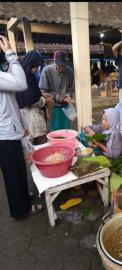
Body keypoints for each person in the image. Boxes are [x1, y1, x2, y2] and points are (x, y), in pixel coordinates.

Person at [0, 36, 42, 218]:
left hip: (11, 129)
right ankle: (20, 211)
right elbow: (21, 83)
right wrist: (10, 54)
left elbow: (10, 103)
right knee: (13, 176)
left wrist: (21, 125)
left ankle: (24, 203)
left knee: (17, 172)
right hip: (5, 135)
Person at [16, 51, 50, 145]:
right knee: (34, 142)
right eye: (36, 66)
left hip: (33, 115)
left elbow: (33, 91)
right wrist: (44, 101)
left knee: (36, 139)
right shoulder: (23, 77)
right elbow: (28, 99)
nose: (37, 69)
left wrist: (41, 94)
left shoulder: (28, 75)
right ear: (31, 64)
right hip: (29, 116)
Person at [39, 50, 75, 131]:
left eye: (64, 65)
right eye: (60, 65)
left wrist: (68, 97)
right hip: (53, 106)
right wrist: (58, 98)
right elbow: (43, 91)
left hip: (66, 107)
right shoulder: (47, 70)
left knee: (66, 130)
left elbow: (71, 88)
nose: (62, 68)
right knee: (55, 131)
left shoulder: (69, 71)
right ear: (55, 61)